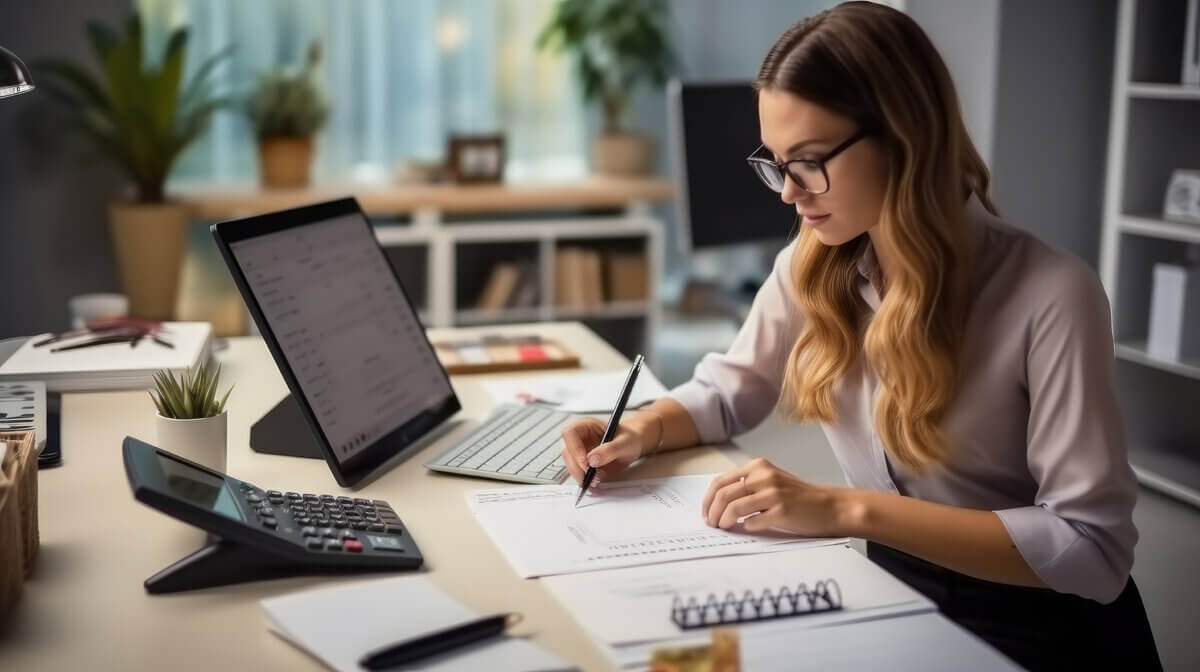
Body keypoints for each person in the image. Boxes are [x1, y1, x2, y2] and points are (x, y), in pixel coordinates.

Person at [559, 3, 1161, 669]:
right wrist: (640, 431)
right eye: (776, 163)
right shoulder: (816, 261)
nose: (787, 194)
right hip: (896, 601)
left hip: (1042, 632)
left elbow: (1093, 550)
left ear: (903, 138)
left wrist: (846, 510)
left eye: (809, 162)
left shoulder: (1052, 294)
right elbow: (728, 394)